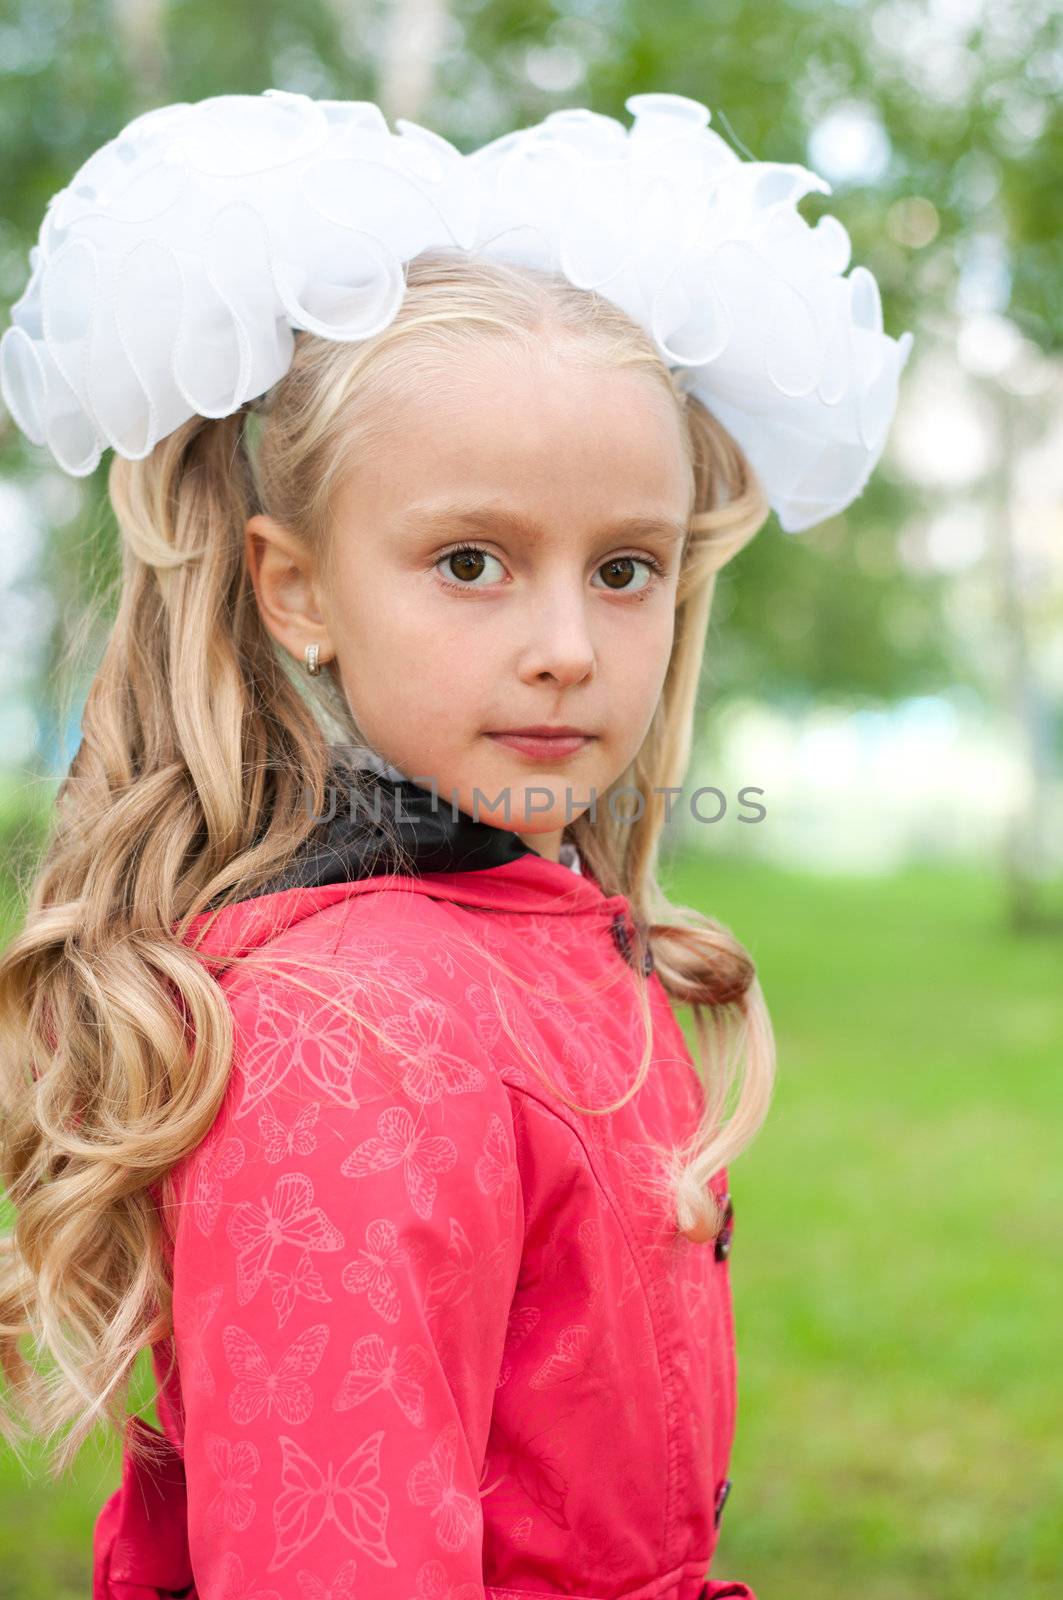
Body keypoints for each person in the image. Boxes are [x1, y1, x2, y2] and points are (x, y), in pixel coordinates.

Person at [0, 90, 912, 1600]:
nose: (567, 646)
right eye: (471, 562)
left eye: (626, 569)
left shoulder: (522, 934)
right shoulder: (350, 1036)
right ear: (295, 589)